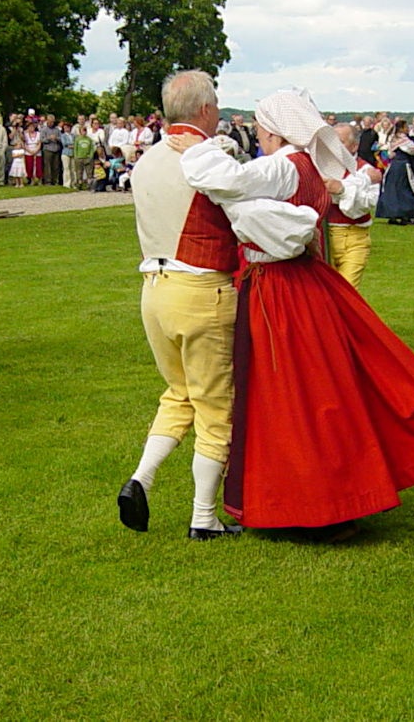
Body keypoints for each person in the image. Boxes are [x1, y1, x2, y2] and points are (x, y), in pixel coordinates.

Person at [175, 88, 414, 540]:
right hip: (308, 284)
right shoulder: (309, 166)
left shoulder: (283, 165)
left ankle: (313, 504)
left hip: (279, 288)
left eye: (260, 126)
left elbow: (228, 182)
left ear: (272, 129)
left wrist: (197, 149)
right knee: (324, 391)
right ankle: (336, 495)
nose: (258, 132)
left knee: (291, 397)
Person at [120, 70, 262, 541]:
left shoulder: (145, 161)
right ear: (204, 110)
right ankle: (203, 516)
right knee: (216, 406)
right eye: (216, 104)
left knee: (178, 391)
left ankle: (141, 477)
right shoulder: (211, 155)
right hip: (203, 288)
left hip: (153, 288)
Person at [326, 123, 382, 290]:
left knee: (347, 294)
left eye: (341, 142)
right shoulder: (322, 166)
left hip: (354, 236)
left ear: (354, 145)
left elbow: (361, 207)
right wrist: (356, 186)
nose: (335, 147)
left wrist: (342, 189)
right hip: (324, 237)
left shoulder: (366, 169)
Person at [375, 119, 414, 225]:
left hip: (393, 166)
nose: (408, 129)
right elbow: (413, 150)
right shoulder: (403, 139)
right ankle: (405, 215)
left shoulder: (393, 138)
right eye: (406, 127)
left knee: (392, 190)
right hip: (402, 166)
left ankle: (392, 215)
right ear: (402, 128)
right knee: (405, 190)